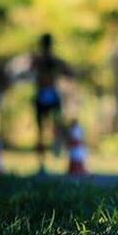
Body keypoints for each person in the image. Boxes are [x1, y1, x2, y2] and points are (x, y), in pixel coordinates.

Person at [29, 33, 74, 174]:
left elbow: (30, 73)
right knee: (56, 125)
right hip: (51, 95)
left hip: (43, 95)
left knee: (41, 131)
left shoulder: (39, 60)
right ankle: (57, 143)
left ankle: (42, 164)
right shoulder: (53, 60)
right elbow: (69, 73)